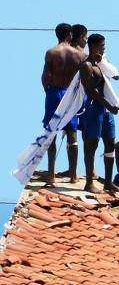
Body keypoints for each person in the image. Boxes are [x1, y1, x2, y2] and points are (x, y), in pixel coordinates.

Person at [40, 23, 83, 185]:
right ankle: (73, 175)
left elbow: (45, 76)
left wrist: (49, 92)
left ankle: (51, 175)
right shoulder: (79, 55)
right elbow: (83, 79)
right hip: (70, 94)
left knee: (51, 133)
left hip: (54, 92)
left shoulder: (51, 53)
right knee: (72, 134)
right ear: (70, 35)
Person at [78, 34, 119, 193]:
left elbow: (116, 77)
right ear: (94, 46)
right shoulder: (86, 66)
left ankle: (108, 182)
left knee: (110, 142)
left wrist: (103, 61)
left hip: (106, 110)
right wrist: (109, 105)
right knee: (91, 144)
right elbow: (91, 91)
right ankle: (89, 182)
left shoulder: (102, 63)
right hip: (94, 108)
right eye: (102, 46)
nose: (104, 48)